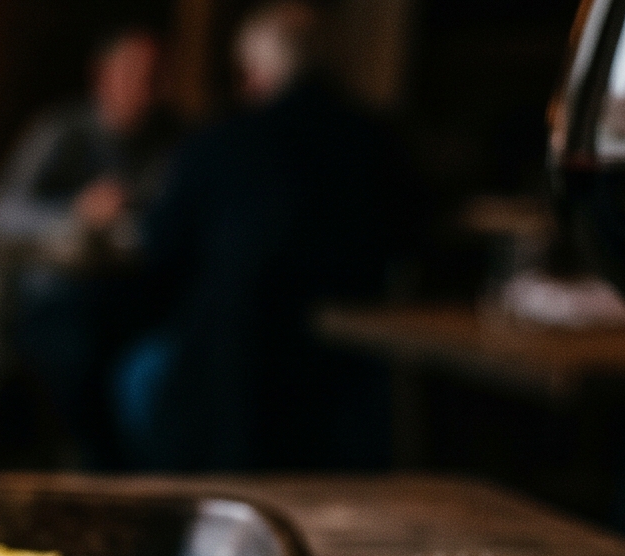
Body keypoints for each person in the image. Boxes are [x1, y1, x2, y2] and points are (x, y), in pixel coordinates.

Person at [117, 3, 414, 471]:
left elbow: (159, 248)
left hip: (232, 391)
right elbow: (413, 241)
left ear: (255, 72)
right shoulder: (381, 142)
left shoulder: (218, 144)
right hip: (350, 395)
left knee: (136, 374)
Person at [0, 27, 180, 467]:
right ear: (101, 75)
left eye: (156, 75)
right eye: (133, 73)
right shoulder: (62, 131)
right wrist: (76, 215)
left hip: (136, 298)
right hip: (54, 301)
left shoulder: (172, 140)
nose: (146, 88)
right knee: (73, 354)